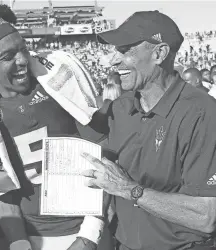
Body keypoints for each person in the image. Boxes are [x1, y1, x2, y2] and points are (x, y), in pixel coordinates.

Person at [0, 5, 113, 250]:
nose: (22, 60)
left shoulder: (55, 87)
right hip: (31, 235)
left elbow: (104, 156)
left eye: (23, 49)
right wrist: (19, 243)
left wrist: (88, 237)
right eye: (8, 56)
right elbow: (3, 189)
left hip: (86, 230)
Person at [82, 10, 216, 250]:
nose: (112, 60)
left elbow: (206, 216)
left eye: (125, 50)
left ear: (159, 53)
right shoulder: (119, 108)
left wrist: (128, 189)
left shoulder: (202, 112)